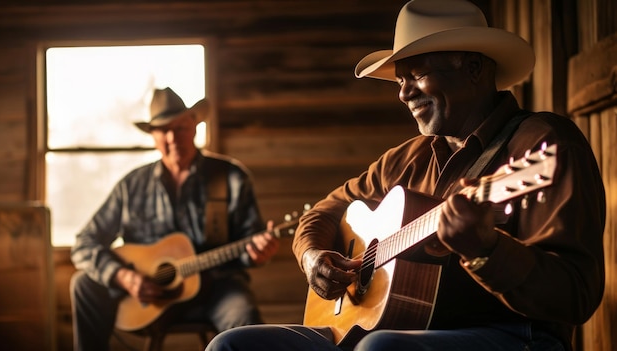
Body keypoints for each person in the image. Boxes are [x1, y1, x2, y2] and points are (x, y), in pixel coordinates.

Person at [205, 0, 606, 350]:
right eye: (400, 80)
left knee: (383, 347)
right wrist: (312, 258)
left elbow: (576, 296)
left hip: (516, 336)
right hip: (390, 331)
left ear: (473, 68)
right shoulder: (406, 158)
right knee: (234, 344)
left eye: (416, 74)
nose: (403, 93)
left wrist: (486, 248)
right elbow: (322, 212)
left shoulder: (544, 145)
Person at [69, 87, 280, 351]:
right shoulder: (131, 185)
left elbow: (249, 243)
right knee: (83, 284)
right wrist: (124, 277)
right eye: (163, 129)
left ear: (194, 126)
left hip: (217, 288)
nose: (172, 137)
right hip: (146, 299)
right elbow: (84, 243)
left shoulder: (231, 177)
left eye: (180, 127)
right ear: (153, 135)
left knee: (247, 324)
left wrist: (258, 253)